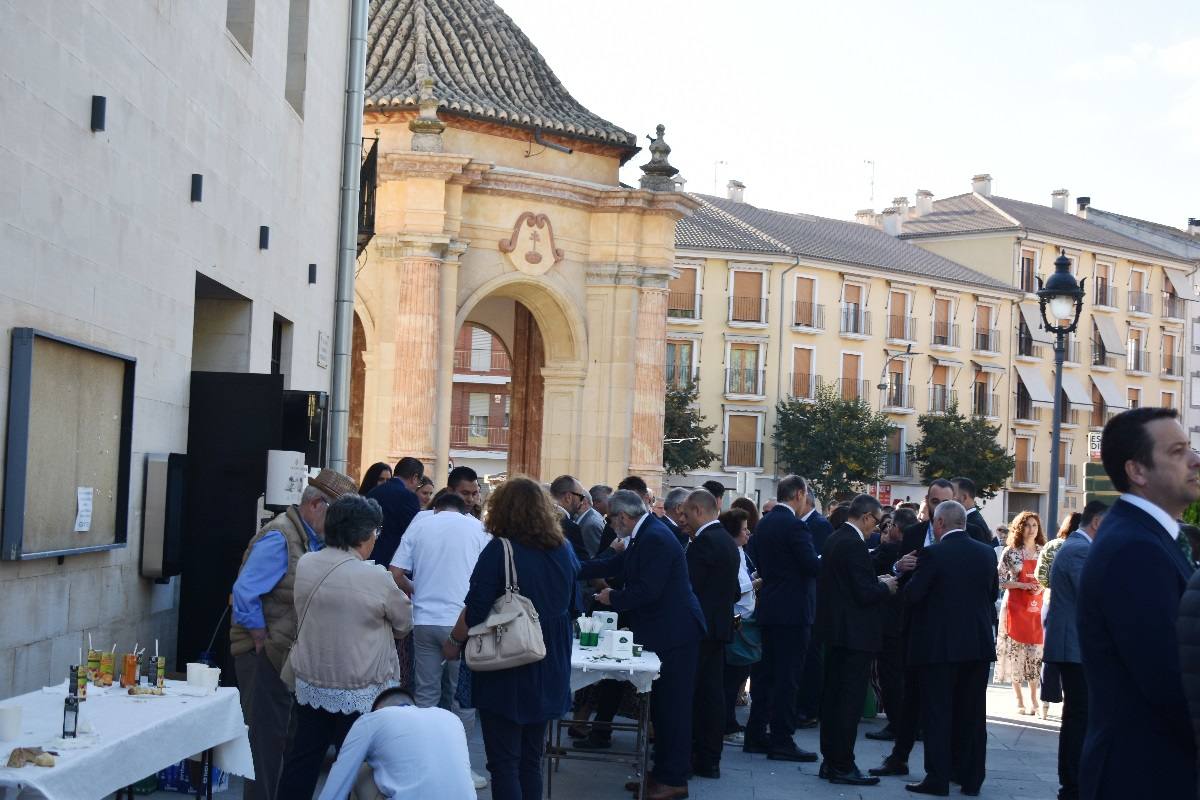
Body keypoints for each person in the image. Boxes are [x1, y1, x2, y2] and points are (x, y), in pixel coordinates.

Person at [1079, 408, 1199, 799]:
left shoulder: (1146, 537)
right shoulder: (1134, 549)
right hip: (1146, 774)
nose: (1195, 460)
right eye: (1178, 451)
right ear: (1137, 471)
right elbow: (1169, 679)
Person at [442, 477, 580, 800]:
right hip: (550, 659)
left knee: (504, 762)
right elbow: (575, 604)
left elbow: (476, 610)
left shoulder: (500, 550)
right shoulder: (564, 549)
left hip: (508, 661)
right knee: (531, 760)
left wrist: (454, 641)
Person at [229, 468, 357, 800]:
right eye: (336, 515)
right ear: (316, 505)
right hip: (265, 654)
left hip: (283, 654)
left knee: (283, 741)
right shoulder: (281, 536)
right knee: (266, 746)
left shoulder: (309, 538)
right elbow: (244, 593)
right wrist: (261, 639)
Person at [277, 495, 414, 800]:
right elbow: (404, 622)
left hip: (312, 681)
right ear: (364, 534)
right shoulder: (375, 577)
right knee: (358, 770)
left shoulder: (308, 563)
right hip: (360, 687)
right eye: (376, 531)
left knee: (302, 760)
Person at [578, 489, 705, 800]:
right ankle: (662, 773)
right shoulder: (645, 534)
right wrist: (573, 566)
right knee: (662, 708)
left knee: (673, 709)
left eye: (610, 519)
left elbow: (648, 590)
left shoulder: (654, 538)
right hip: (666, 632)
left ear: (622, 517)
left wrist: (612, 597)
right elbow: (617, 566)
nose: (610, 525)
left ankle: (673, 779)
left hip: (676, 633)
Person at [387, 492, 490, 789]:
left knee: (426, 695)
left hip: (424, 620)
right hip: (461, 621)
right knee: (462, 698)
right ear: (462, 509)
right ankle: (461, 768)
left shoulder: (421, 522)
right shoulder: (477, 528)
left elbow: (395, 573)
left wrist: (416, 589)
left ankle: (423, 765)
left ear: (436, 508)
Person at [902, 500, 999, 797]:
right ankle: (972, 778)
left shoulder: (934, 554)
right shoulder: (986, 553)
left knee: (938, 712)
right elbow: (992, 594)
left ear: (940, 523)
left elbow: (913, 595)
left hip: (940, 647)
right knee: (973, 714)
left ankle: (938, 777)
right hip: (977, 645)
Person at [868, 478, 956, 779]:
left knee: (942, 701)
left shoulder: (967, 536)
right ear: (927, 502)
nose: (938, 508)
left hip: (947, 630)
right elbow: (899, 580)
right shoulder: (916, 534)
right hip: (913, 624)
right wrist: (899, 567)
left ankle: (946, 765)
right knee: (909, 694)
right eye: (934, 501)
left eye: (944, 502)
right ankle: (899, 756)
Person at [816, 493, 896, 786]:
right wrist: (886, 587)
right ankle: (842, 765)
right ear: (866, 517)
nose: (877, 528)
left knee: (834, 700)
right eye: (878, 522)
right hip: (854, 637)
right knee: (847, 703)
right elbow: (863, 593)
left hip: (838, 634)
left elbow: (849, 584)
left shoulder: (836, 538)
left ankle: (831, 762)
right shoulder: (853, 543)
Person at [743, 474, 821, 762]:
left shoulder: (765, 524)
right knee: (788, 678)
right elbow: (811, 566)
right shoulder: (795, 526)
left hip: (770, 607)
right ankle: (782, 739)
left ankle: (755, 733)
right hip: (793, 612)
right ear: (799, 494)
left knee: (765, 676)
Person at [1043, 500, 1107, 800]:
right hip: (1074, 647)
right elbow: (1092, 595)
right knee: (1078, 718)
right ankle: (1072, 784)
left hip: (1074, 645)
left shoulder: (1076, 547)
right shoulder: (1080, 549)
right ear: (1097, 522)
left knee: (1077, 716)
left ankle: (1073, 782)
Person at [680, 489, 741, 780]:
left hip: (701, 630)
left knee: (697, 696)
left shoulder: (705, 543)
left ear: (698, 511)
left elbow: (688, 587)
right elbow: (734, 590)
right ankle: (709, 758)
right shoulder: (726, 541)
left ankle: (696, 755)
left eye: (686, 514)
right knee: (711, 694)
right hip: (718, 628)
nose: (683, 519)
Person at [316, 688, 474, 800]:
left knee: (361, 770)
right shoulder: (450, 718)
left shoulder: (372, 719)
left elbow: (339, 781)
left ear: (378, 708)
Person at [866, 507, 917, 742]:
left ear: (897, 528)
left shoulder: (888, 550)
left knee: (890, 675)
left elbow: (869, 568)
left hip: (889, 622)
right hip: (908, 621)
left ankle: (895, 723)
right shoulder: (919, 550)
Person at [997, 511, 1046, 715]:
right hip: (1015, 607)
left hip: (1036, 607)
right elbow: (999, 580)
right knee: (1016, 652)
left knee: (1035, 654)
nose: (1031, 529)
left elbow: (1050, 578)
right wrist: (1021, 585)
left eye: (1035, 525)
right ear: (1019, 528)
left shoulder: (1044, 551)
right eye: (1027, 525)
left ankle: (1034, 698)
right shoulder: (1011, 552)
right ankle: (1019, 699)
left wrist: (1040, 587)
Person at [796, 485, 834, 727]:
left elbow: (818, 562)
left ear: (806, 501)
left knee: (811, 657)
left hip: (815, 602)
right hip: (805, 601)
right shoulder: (804, 524)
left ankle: (809, 709)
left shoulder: (819, 525)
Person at [719, 508, 758, 743]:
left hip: (745, 618)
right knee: (731, 677)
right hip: (735, 620)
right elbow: (736, 587)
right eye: (744, 529)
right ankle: (726, 724)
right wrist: (756, 583)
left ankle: (729, 721)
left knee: (739, 674)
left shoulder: (741, 552)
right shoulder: (730, 553)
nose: (748, 533)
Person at [367, 457, 424, 566]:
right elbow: (414, 532)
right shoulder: (408, 497)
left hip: (368, 556)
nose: (417, 486)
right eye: (419, 482)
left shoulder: (373, 492)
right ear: (415, 477)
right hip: (393, 560)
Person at [950, 477, 993, 546]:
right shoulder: (972, 520)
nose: (949, 499)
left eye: (952, 494)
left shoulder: (975, 526)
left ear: (964, 497)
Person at [576, 490, 606, 559]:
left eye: (573, 499)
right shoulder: (590, 517)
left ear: (583, 502)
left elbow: (593, 557)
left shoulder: (591, 524)